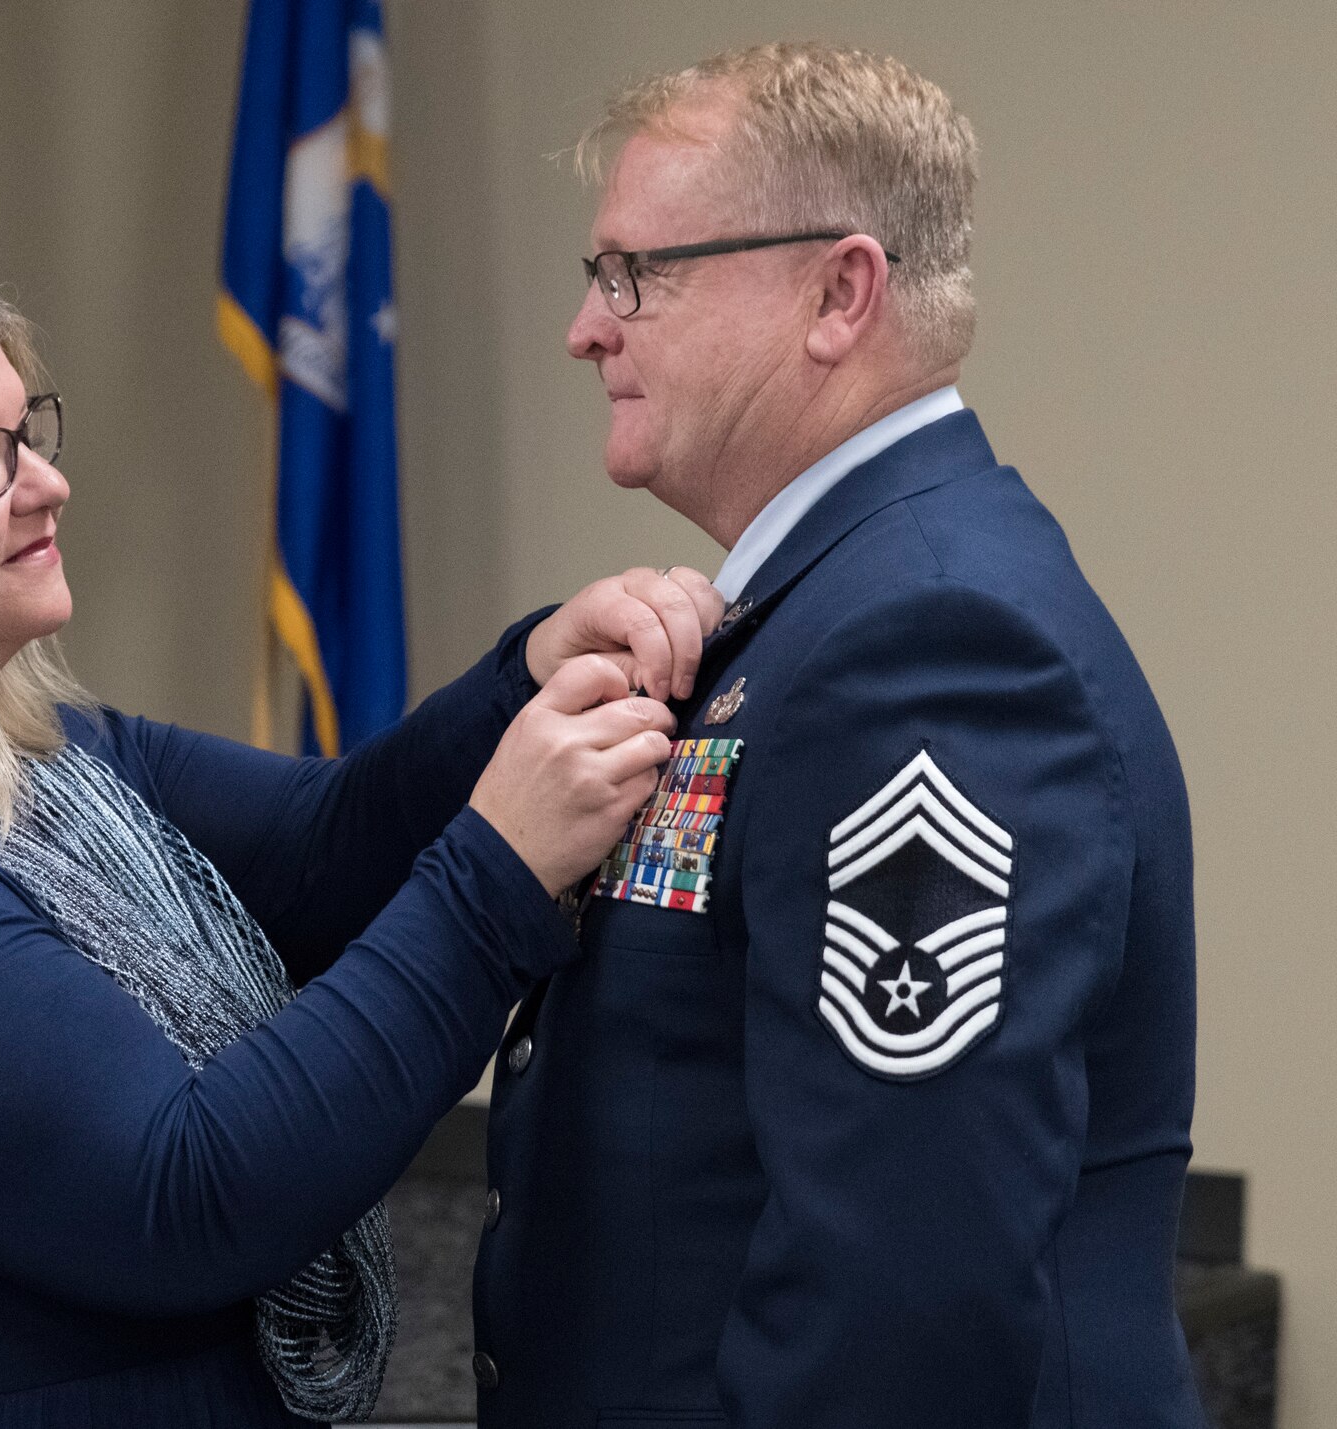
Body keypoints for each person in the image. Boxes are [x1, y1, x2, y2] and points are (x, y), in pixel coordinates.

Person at [0, 243, 723, 1429]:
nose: (49, 485)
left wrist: (524, 674)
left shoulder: (17, 756)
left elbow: (322, 848)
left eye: (29, 433)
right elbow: (195, 1196)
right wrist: (497, 874)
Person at [472, 43, 1201, 1428]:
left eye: (637, 274)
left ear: (838, 292)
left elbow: (903, 1300)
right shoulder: (838, 605)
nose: (587, 326)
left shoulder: (928, 645)